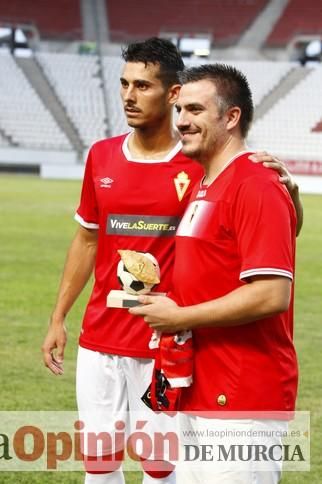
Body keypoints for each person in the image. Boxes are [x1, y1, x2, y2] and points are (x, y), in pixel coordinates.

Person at [42, 38, 302, 484]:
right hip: (131, 348)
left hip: (183, 354)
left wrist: (289, 197)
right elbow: (87, 239)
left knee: (162, 469)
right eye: (123, 84)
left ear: (173, 94)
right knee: (100, 465)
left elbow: (270, 269)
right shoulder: (122, 160)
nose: (128, 95)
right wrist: (59, 316)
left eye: (143, 85)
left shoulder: (214, 171)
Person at [130, 63, 299, 484]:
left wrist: (179, 317)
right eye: (180, 109)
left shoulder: (254, 183)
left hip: (243, 399)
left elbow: (272, 293)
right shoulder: (208, 183)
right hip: (201, 388)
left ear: (231, 116)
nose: (182, 120)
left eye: (196, 110)